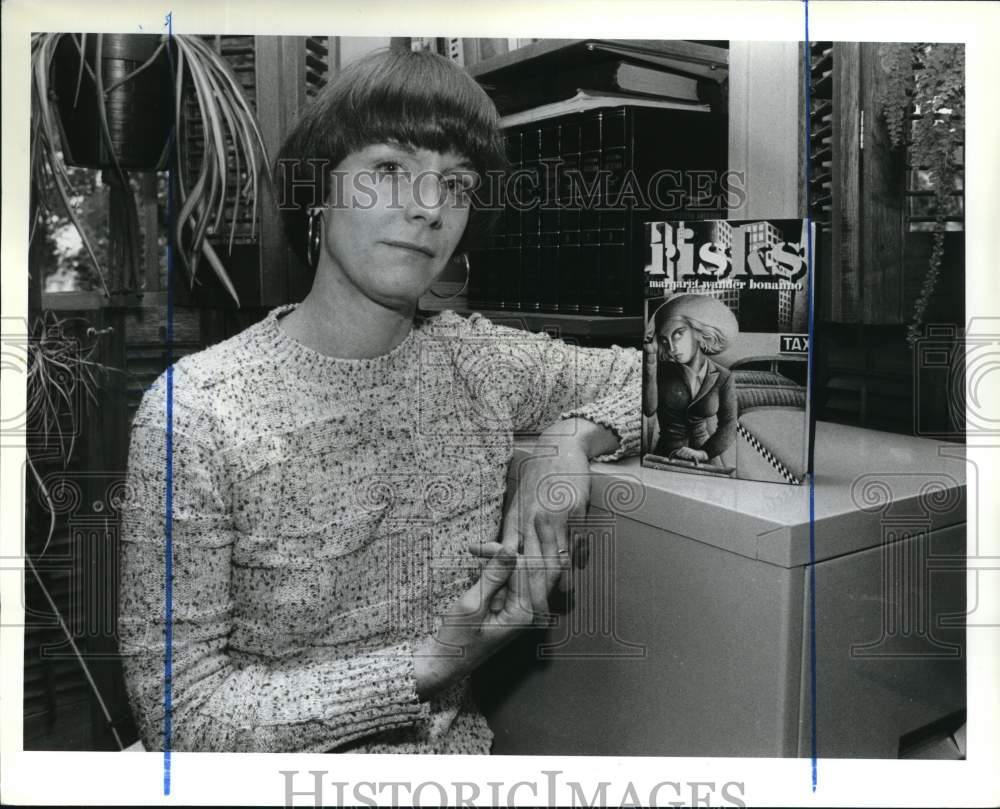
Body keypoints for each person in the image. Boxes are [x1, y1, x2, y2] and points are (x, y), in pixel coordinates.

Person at [118, 47, 641, 754]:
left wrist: (571, 438)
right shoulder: (196, 412)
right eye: (389, 169)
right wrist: (430, 665)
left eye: (456, 185)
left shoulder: (477, 359)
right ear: (319, 188)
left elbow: (659, 373)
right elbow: (179, 717)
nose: (428, 208)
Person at [642, 293, 738, 465]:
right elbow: (649, 410)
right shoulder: (661, 370)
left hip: (706, 455)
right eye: (665, 340)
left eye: (678, 334)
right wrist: (650, 363)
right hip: (667, 454)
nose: (671, 347)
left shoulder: (724, 376)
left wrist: (703, 453)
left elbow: (729, 425)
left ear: (698, 333)